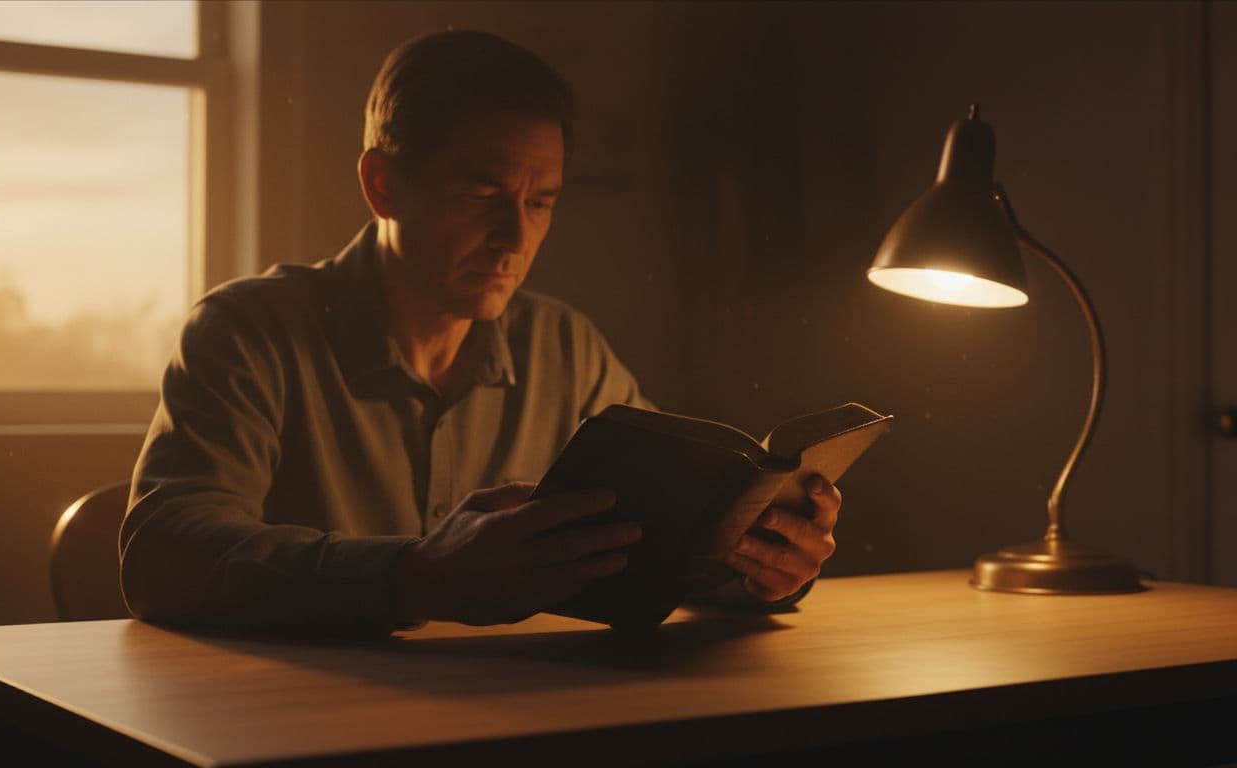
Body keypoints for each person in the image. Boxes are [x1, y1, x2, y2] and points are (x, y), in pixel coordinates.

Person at [119, 29, 840, 636]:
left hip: (501, 716)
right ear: (382, 186)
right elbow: (161, 555)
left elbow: (662, 537)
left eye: (540, 202)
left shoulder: (566, 350)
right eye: (480, 193)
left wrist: (758, 566)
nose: (514, 238)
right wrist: (413, 576)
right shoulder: (249, 332)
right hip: (287, 724)